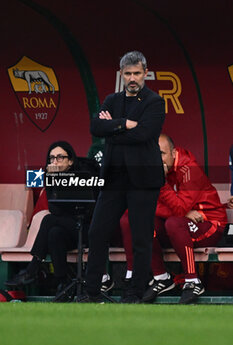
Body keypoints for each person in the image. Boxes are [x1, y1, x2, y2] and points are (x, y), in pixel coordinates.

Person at [78, 51, 165, 303]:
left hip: (144, 180)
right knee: (97, 232)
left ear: (145, 73)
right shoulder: (111, 99)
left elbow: (145, 134)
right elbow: (95, 127)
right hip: (114, 178)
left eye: (137, 73)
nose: (132, 78)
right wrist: (125, 123)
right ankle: (93, 292)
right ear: (121, 74)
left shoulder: (154, 102)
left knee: (140, 237)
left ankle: (134, 293)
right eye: (127, 74)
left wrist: (113, 126)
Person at [121, 134, 227, 304]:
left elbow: (178, 208)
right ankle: (161, 277)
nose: (158, 159)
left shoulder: (188, 169)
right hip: (181, 224)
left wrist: (161, 183)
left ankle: (192, 281)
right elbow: (146, 205)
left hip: (209, 224)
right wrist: (182, 213)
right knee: (133, 218)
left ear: (173, 152)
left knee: (174, 222)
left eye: (162, 154)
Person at [5, 141, 108, 300]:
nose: (55, 162)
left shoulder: (85, 174)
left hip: (87, 230)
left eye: (60, 158)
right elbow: (56, 210)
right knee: (54, 233)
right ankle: (63, 282)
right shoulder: (51, 178)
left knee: (48, 221)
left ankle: (33, 268)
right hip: (67, 232)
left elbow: (88, 212)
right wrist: (52, 180)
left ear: (70, 161)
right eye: (52, 158)